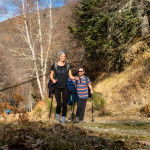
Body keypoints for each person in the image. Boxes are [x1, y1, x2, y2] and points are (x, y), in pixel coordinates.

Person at [50, 50, 77, 124]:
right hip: (57, 87)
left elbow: (70, 75)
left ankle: (63, 120)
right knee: (59, 104)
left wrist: (75, 78)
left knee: (64, 104)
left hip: (65, 87)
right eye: (62, 56)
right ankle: (57, 119)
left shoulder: (68, 65)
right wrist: (53, 80)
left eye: (64, 56)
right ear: (59, 56)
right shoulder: (54, 65)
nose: (63, 57)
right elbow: (51, 75)